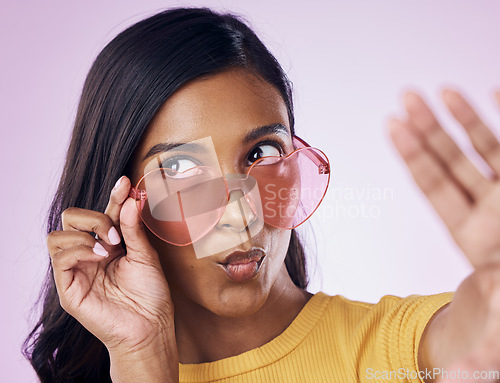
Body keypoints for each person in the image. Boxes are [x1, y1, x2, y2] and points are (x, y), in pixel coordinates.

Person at [22, 6, 500, 383]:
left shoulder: (393, 350)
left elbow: (474, 340)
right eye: (182, 167)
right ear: (120, 200)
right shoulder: (114, 370)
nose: (240, 216)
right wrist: (140, 356)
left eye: (261, 153)